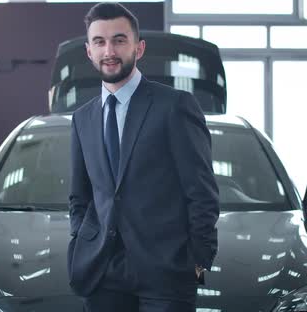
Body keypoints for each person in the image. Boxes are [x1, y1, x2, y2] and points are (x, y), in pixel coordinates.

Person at [67, 2, 219, 311]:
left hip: (167, 272)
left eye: (119, 40)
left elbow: (201, 191)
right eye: (100, 41)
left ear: (139, 48)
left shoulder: (175, 106)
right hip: (102, 271)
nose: (109, 50)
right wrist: (79, 242)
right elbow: (80, 196)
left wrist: (199, 259)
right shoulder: (82, 118)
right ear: (89, 51)